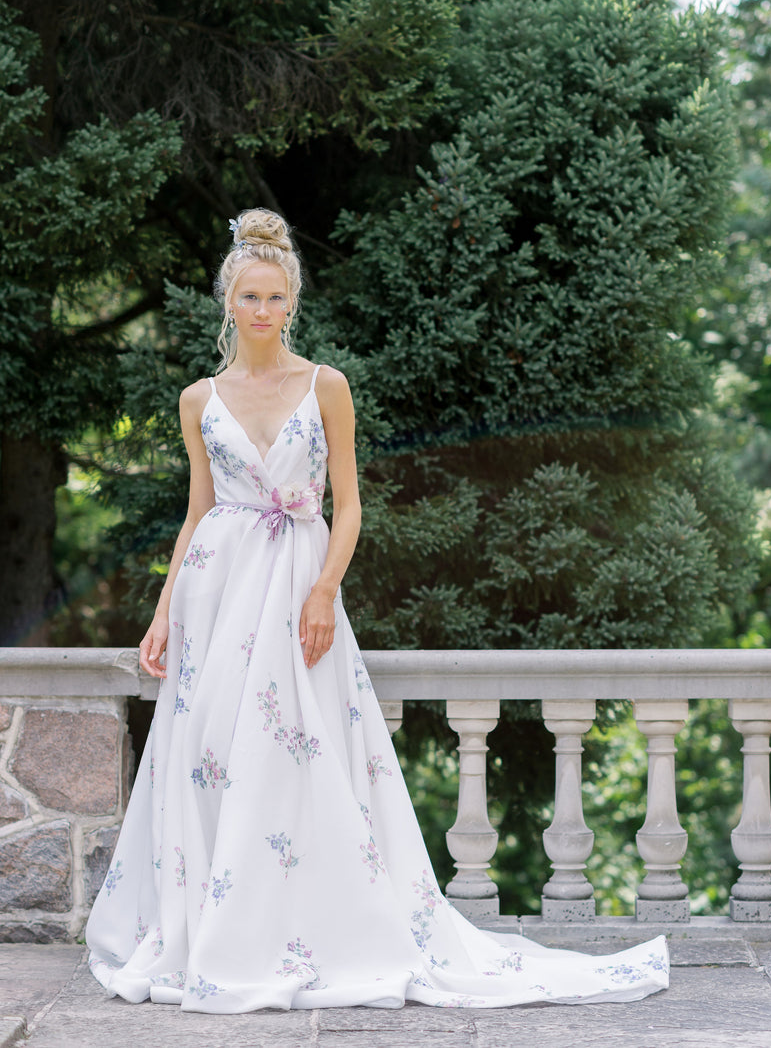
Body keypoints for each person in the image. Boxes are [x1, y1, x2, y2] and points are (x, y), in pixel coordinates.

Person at [86, 208, 669, 1012]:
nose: (262, 309)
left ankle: (299, 930)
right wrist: (162, 614)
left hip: (296, 583)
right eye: (249, 296)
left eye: (276, 296)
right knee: (211, 753)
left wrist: (324, 589)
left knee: (294, 752)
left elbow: (351, 504)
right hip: (215, 591)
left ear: (293, 302)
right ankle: (216, 930)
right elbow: (196, 512)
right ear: (229, 302)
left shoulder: (325, 385)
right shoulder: (199, 399)